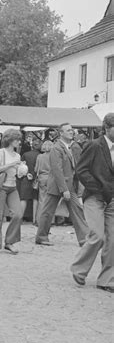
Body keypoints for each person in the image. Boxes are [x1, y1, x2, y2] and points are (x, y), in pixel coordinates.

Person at [71, 113, 114, 293]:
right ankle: (79, 269)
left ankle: (107, 280)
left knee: (113, 241)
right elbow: (81, 170)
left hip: (112, 199)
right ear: (107, 128)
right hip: (95, 198)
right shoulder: (94, 145)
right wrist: (96, 188)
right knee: (97, 235)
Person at [36, 123, 89, 247]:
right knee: (48, 212)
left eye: (72, 130)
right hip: (58, 185)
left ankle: (84, 239)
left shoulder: (71, 146)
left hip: (69, 185)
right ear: (61, 133)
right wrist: (64, 189)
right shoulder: (56, 148)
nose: (72, 132)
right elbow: (56, 170)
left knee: (77, 211)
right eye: (69, 130)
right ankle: (41, 236)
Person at [0, 129, 26, 255]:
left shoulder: (17, 155)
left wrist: (22, 171)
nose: (18, 142)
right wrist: (11, 165)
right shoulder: (0, 152)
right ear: (9, 140)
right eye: (16, 139)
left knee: (18, 214)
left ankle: (9, 242)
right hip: (0, 186)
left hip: (12, 186)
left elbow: (17, 173)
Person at [19, 137, 42, 224]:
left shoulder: (25, 154)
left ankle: (19, 219)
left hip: (26, 178)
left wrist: (27, 173)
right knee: (35, 199)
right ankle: (34, 219)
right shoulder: (41, 156)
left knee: (24, 199)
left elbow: (21, 167)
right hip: (37, 179)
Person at [34, 140, 54, 225]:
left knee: (41, 200)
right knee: (51, 200)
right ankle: (50, 221)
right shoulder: (54, 156)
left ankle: (39, 220)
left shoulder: (39, 156)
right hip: (51, 178)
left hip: (42, 178)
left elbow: (36, 169)